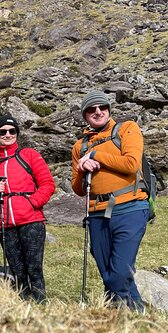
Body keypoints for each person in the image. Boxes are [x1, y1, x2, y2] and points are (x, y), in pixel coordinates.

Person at [71, 90, 149, 311]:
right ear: (85, 115)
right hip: (96, 213)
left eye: (102, 107)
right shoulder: (80, 146)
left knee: (120, 272)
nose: (98, 112)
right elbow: (78, 189)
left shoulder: (127, 129)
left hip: (130, 208)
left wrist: (96, 156)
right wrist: (81, 167)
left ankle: (119, 313)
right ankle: (131, 316)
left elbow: (131, 164)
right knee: (107, 272)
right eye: (91, 109)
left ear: (109, 109)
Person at [0, 114, 55, 302]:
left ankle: (40, 304)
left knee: (34, 268)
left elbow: (47, 184)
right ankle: (23, 305)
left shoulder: (29, 155)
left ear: (17, 133)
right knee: (17, 271)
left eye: (12, 131)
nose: (8, 134)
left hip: (32, 222)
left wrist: (32, 203)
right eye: (3, 131)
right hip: (5, 225)